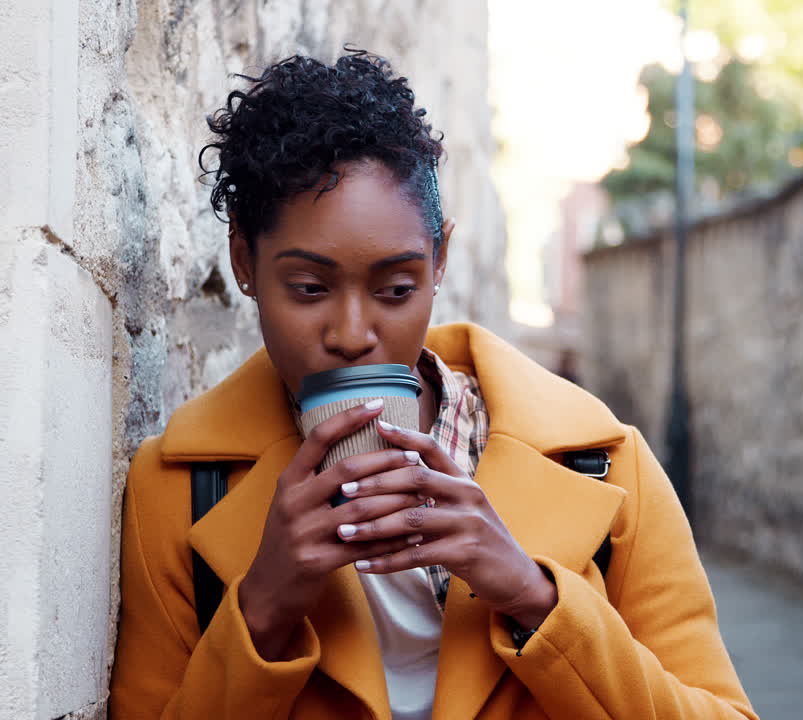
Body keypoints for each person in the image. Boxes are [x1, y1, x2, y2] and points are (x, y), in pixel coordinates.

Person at [107, 49, 756, 720]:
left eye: (396, 288)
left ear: (440, 258)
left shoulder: (607, 469)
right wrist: (262, 609)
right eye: (308, 288)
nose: (353, 332)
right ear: (244, 260)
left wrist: (536, 596)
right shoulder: (180, 493)